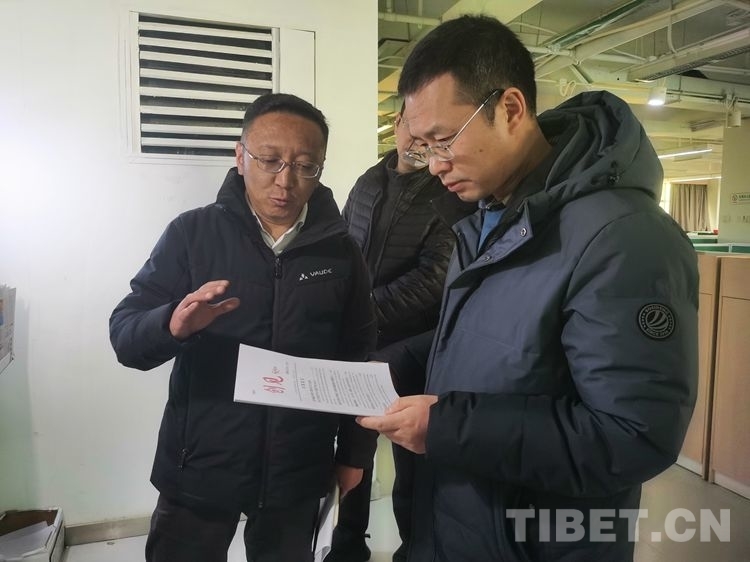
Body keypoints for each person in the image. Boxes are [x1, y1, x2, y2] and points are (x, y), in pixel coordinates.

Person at [358, 15, 698, 562]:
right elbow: (481, 341)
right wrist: (387, 366)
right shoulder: (489, 216)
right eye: (422, 147)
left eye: (444, 140)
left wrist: (446, 429)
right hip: (455, 521)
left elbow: (633, 436)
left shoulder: (624, 238)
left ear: (511, 109)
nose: (435, 165)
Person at [109, 93, 378, 562]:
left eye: (305, 166)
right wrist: (172, 324)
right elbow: (125, 334)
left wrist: (355, 454)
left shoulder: (340, 252)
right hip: (201, 463)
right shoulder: (192, 234)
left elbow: (359, 354)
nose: (285, 181)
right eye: (269, 160)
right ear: (240, 155)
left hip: (297, 467)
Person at [325, 106, 474, 562]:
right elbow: (343, 245)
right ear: (397, 125)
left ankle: (414, 551)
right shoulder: (369, 181)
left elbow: (435, 277)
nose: (420, 141)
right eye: (413, 127)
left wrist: (362, 311)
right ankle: (348, 545)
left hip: (413, 350)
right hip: (360, 344)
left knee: (413, 460)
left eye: (432, 133)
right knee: (354, 449)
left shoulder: (447, 191)